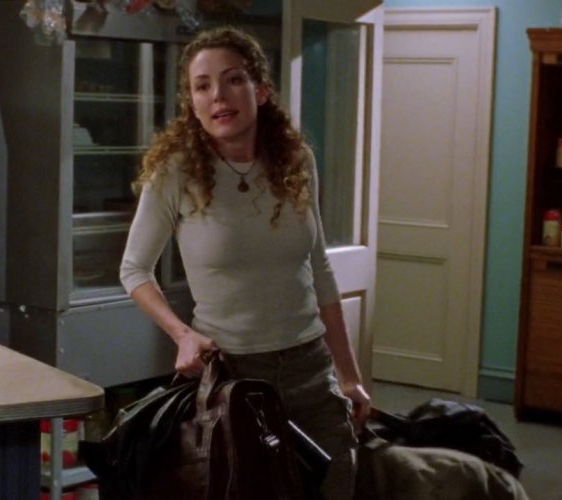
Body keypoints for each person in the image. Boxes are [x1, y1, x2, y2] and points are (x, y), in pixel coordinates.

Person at [119, 26, 370, 499]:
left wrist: (349, 375)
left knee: (337, 486)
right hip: (232, 375)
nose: (218, 95)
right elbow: (134, 270)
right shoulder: (176, 172)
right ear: (192, 103)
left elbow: (319, 268)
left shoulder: (296, 160)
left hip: (310, 366)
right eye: (202, 86)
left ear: (261, 89)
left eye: (233, 79)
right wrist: (182, 334)